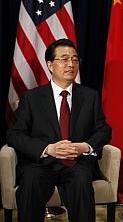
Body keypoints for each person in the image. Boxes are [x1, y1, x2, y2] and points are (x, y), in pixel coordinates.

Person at [7, 38, 112, 222]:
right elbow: (14, 135)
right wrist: (48, 149)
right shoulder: (31, 98)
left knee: (81, 180)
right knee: (31, 181)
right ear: (50, 64)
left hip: (76, 164)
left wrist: (84, 147)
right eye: (64, 59)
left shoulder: (90, 96)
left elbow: (103, 130)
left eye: (75, 59)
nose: (71, 64)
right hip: (40, 164)